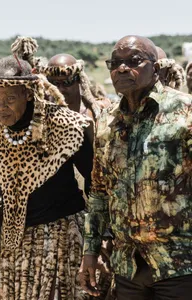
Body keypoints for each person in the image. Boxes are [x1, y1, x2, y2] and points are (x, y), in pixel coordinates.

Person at [0, 53, 93, 299]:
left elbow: (95, 185)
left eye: (10, 99)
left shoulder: (65, 126)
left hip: (62, 238)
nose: (1, 107)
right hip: (15, 240)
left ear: (28, 93)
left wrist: (99, 241)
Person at [79, 35, 192, 300]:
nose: (121, 68)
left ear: (156, 67)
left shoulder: (185, 112)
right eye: (115, 63)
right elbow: (98, 194)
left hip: (179, 265)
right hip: (128, 268)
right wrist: (90, 252)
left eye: (134, 61)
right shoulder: (108, 121)